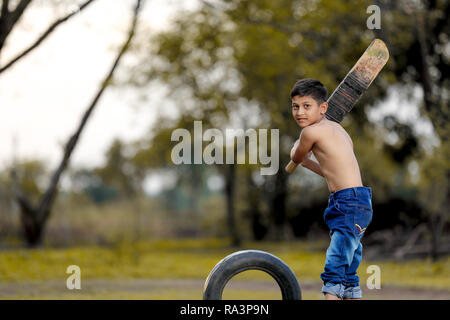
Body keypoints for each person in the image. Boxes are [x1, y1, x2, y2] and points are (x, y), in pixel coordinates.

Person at [289, 78, 373, 300]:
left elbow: (297, 156)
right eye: (295, 107)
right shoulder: (338, 130)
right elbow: (329, 171)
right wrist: (306, 161)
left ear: (323, 108)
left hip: (346, 202)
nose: (300, 112)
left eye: (307, 106)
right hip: (360, 201)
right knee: (348, 272)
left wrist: (296, 154)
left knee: (334, 268)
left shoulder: (309, 134)